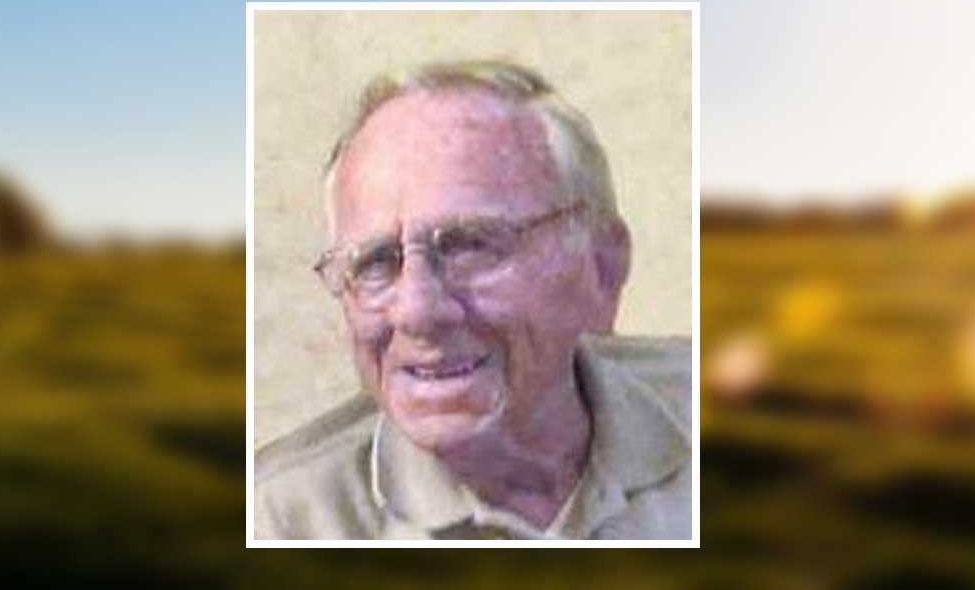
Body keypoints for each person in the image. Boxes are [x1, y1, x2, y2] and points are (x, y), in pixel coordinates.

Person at [254, 60, 692, 540]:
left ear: (602, 265)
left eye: (469, 247)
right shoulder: (280, 522)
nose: (417, 311)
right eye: (376, 262)